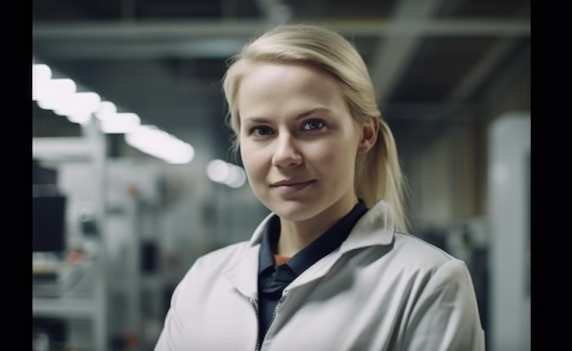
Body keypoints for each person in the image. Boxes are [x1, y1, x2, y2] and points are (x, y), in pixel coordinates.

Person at [154, 23, 485, 351]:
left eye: (313, 125)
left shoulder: (425, 281)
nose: (284, 155)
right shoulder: (204, 280)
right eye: (262, 131)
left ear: (365, 134)